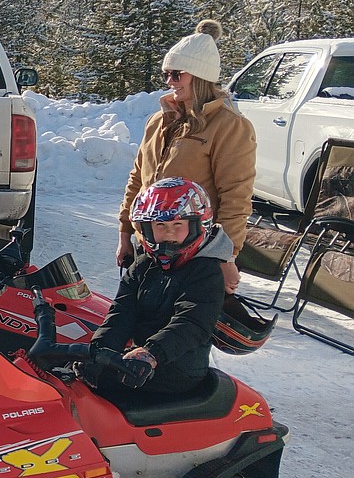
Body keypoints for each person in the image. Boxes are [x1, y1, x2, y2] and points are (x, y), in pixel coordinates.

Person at [116, 20, 256, 295]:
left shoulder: (230, 126)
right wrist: (124, 233)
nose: (169, 82)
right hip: (151, 246)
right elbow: (138, 181)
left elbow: (235, 197)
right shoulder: (159, 121)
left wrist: (226, 256)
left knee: (184, 332)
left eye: (177, 75)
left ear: (199, 75)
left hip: (197, 253)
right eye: (167, 74)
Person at [85, 177, 232, 397]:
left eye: (178, 225)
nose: (169, 233)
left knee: (98, 386)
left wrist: (150, 354)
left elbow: (192, 323)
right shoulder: (143, 266)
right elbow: (122, 312)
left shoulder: (204, 271)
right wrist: (99, 350)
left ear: (197, 226)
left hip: (178, 368)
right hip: (139, 361)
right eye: (160, 226)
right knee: (76, 373)